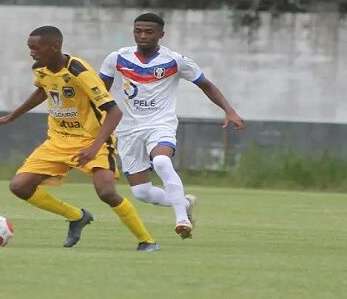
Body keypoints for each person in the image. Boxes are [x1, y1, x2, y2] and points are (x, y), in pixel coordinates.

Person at [0, 26, 160, 251]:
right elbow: (43, 90)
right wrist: (11, 117)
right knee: (20, 186)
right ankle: (76, 216)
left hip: (92, 140)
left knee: (106, 192)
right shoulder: (40, 68)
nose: (31, 53)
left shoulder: (79, 72)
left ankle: (146, 240)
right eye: (30, 48)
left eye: (35, 48)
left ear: (54, 47)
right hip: (58, 140)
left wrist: (94, 147)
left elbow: (114, 111)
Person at [99, 13, 244, 239]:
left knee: (161, 160)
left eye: (149, 32)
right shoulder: (117, 58)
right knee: (142, 192)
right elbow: (99, 92)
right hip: (127, 130)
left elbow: (206, 84)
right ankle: (184, 203)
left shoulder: (175, 60)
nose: (143, 36)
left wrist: (229, 110)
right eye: (138, 31)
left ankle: (182, 220)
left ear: (160, 34)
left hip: (160, 124)